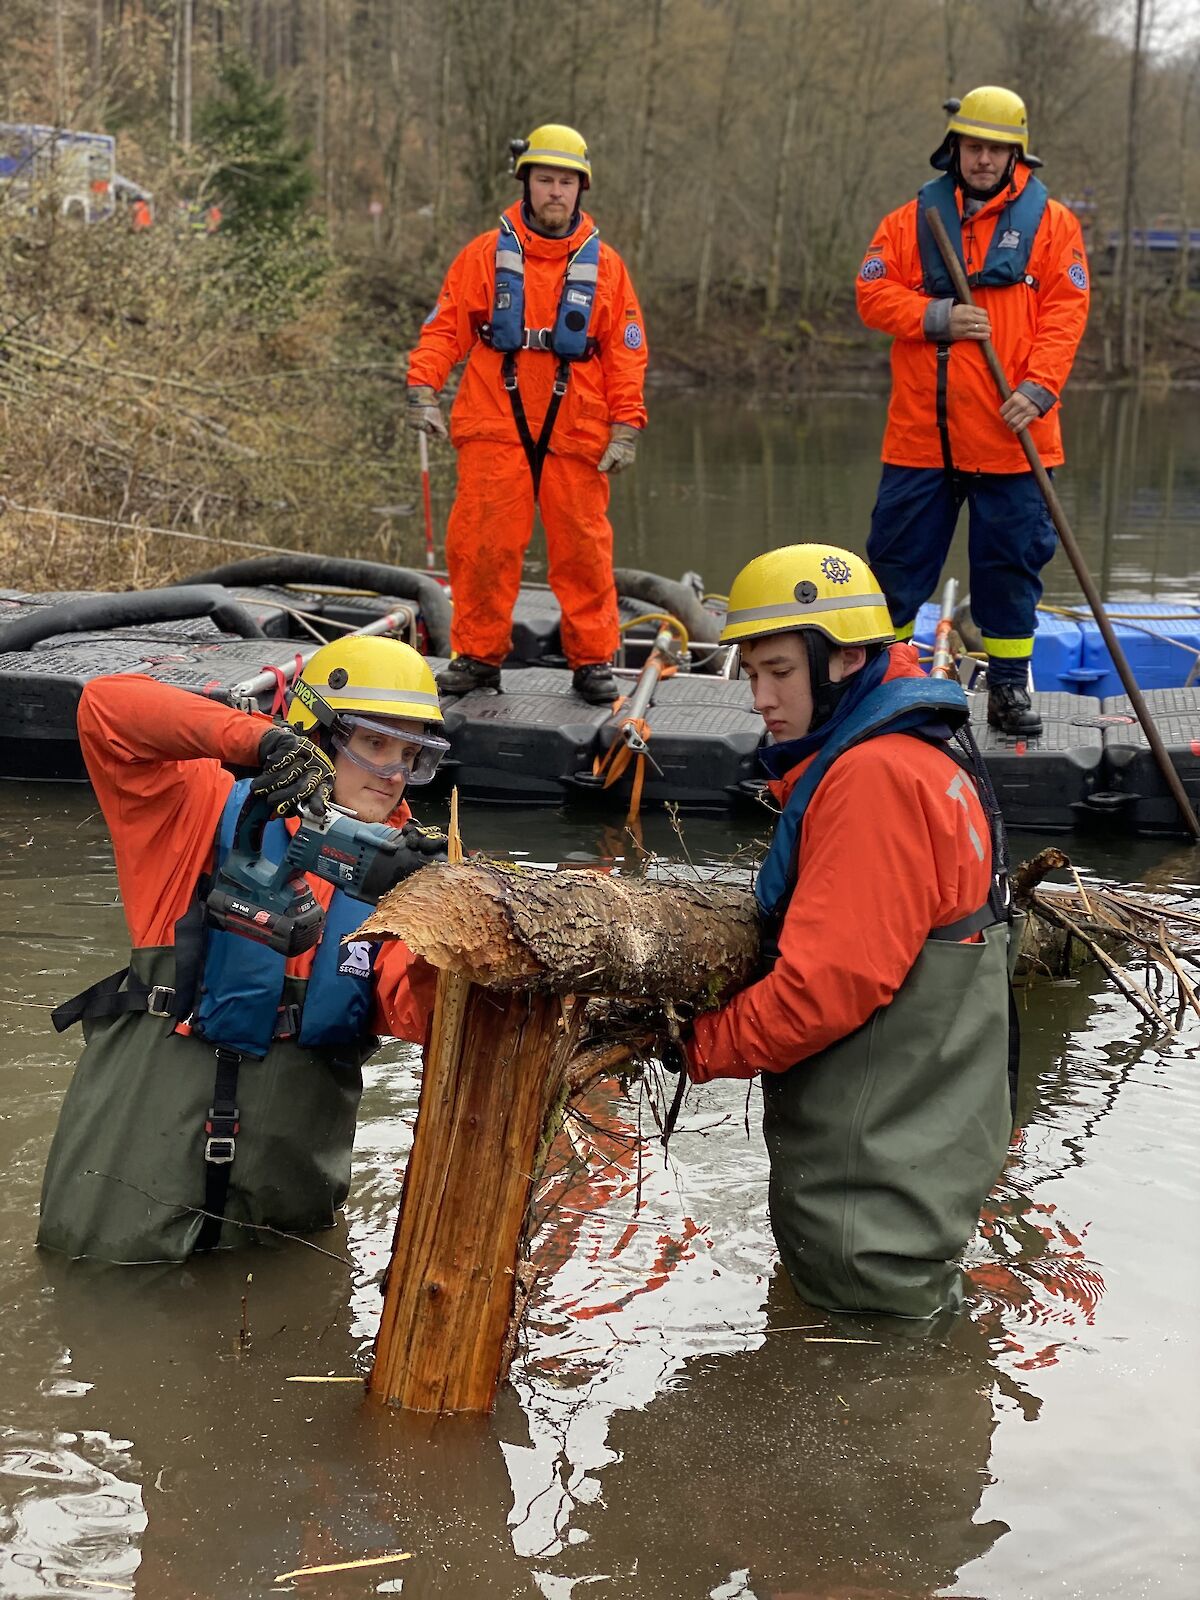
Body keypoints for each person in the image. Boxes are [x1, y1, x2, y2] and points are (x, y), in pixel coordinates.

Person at [38, 637, 449, 1264]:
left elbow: (424, 1013)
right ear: (317, 733)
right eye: (373, 743)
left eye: (411, 755)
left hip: (280, 1217)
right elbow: (106, 708)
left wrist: (460, 936)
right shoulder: (197, 810)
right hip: (133, 1201)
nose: (392, 774)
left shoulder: (407, 878)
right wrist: (257, 742)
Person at [684, 543, 1016, 1319]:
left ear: (844, 661)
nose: (760, 697)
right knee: (897, 1358)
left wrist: (696, 1045)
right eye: (752, 673)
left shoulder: (874, 780)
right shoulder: (920, 757)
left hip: (870, 1197)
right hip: (912, 1168)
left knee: (865, 1383)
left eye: (779, 672)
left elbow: (824, 989)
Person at [857, 85, 1090, 736]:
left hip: (1015, 437)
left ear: (1017, 154)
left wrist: (1038, 388)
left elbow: (1065, 317)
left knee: (1011, 572)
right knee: (896, 569)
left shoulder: (1055, 225)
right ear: (953, 148)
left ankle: (1009, 692)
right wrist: (934, 316)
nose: (982, 159)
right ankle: (888, 685)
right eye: (972, 146)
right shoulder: (911, 221)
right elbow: (871, 292)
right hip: (920, 440)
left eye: (995, 148)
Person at [406, 122, 648, 705]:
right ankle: (478, 658)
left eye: (566, 181)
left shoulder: (607, 269)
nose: (555, 192)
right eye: (546, 180)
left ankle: (591, 661)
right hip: (495, 423)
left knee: (584, 551)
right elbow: (445, 330)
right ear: (527, 183)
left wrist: (626, 425)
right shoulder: (483, 257)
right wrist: (423, 390)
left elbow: (627, 351)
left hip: (578, 429)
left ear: (581, 188)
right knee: (482, 546)